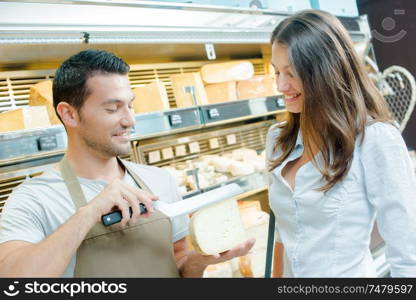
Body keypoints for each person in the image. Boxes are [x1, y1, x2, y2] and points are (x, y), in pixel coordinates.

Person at [0, 49, 255, 277]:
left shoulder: (159, 181)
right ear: (70, 114)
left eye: (130, 106)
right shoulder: (32, 199)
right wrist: (89, 213)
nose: (130, 120)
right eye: (113, 109)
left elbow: (179, 264)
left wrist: (199, 263)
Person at [267, 10, 416, 277]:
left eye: (290, 73)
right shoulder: (278, 141)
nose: (280, 85)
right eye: (276, 71)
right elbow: (283, 234)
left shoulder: (376, 140)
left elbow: (408, 252)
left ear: (324, 71)